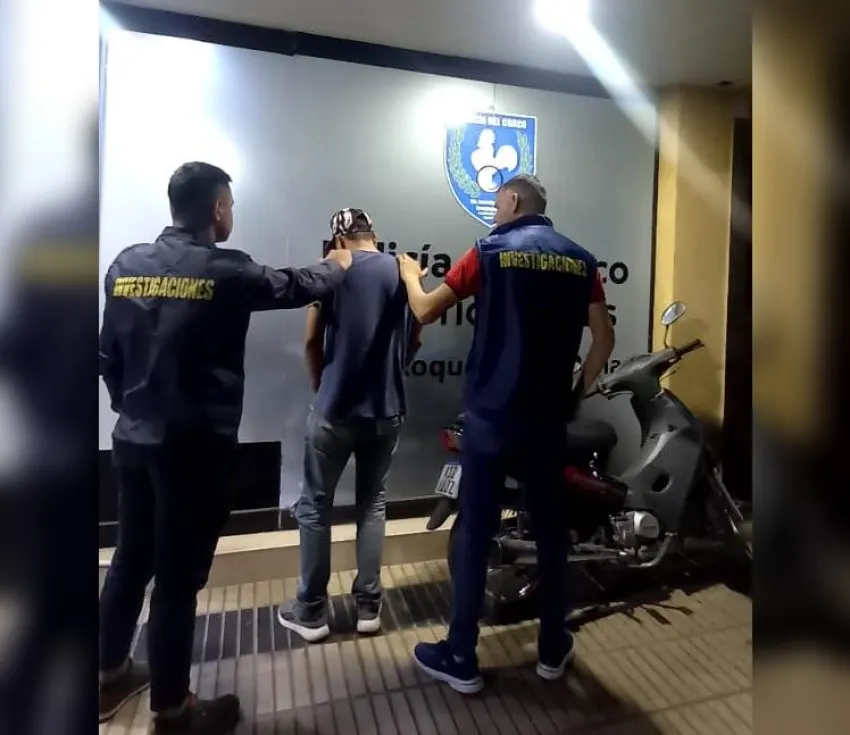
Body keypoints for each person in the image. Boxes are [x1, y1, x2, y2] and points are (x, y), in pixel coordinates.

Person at [98, 161, 352, 734]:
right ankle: (172, 709)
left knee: (130, 560)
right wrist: (338, 265)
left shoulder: (126, 265)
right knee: (176, 580)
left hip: (133, 443)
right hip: (193, 453)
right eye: (230, 205)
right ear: (217, 209)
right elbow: (296, 285)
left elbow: (106, 356)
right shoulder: (227, 270)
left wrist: (130, 408)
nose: (231, 213)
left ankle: (108, 672)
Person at [397, 174, 615, 694]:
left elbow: (425, 308)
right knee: (551, 533)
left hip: (491, 419)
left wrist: (408, 274)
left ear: (514, 200)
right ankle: (552, 648)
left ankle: (461, 656)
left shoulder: (488, 252)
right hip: (547, 421)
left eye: (497, 204)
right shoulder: (581, 261)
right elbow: (604, 340)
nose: (494, 213)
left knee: (476, 530)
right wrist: (574, 394)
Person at [278, 208, 422, 642]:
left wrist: (322, 389)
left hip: (335, 410)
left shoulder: (333, 269)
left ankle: (311, 611)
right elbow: (415, 337)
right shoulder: (402, 270)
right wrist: (393, 374)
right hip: (386, 410)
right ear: (373, 234)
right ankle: (368, 607)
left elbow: (311, 341)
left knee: (315, 507)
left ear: (339, 239)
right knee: (372, 505)